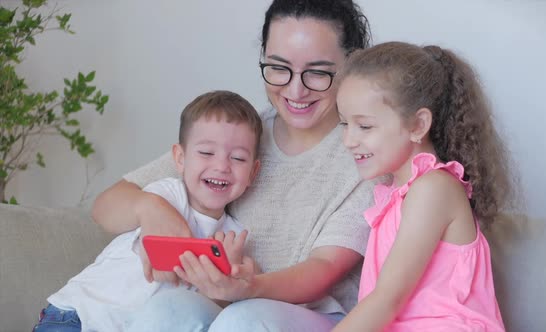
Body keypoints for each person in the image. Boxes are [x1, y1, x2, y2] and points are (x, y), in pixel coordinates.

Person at [91, 0, 376, 331]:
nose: (296, 89)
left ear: (351, 67)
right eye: (279, 67)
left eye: (317, 72)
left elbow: (324, 268)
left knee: (245, 319)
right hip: (227, 308)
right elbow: (106, 205)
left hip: (314, 316)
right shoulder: (240, 136)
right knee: (168, 308)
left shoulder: (365, 152)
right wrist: (151, 208)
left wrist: (250, 287)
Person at [33, 90, 263, 332]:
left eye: (237, 158)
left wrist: (230, 277)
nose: (221, 166)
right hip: (78, 316)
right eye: (206, 153)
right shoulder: (167, 195)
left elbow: (206, 312)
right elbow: (117, 220)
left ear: (253, 172)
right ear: (180, 158)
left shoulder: (234, 237)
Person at [332, 41, 515, 331]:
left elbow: (387, 299)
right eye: (344, 124)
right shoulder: (397, 194)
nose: (348, 140)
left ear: (418, 125)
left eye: (364, 126)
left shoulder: (433, 189)